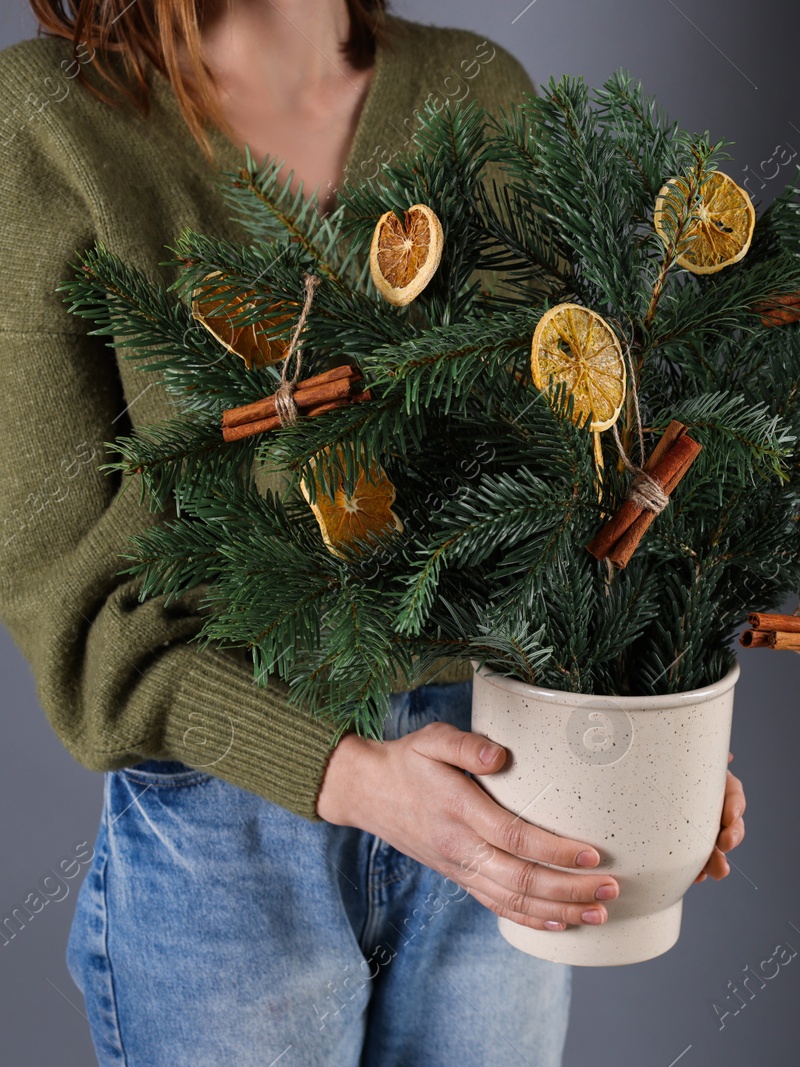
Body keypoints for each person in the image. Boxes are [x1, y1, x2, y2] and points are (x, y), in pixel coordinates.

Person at [0, 2, 748, 1063]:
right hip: (231, 830)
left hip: (508, 780)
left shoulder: (478, 90)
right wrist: (351, 775)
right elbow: (68, 595)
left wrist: (641, 729)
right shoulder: (50, 123)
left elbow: (580, 480)